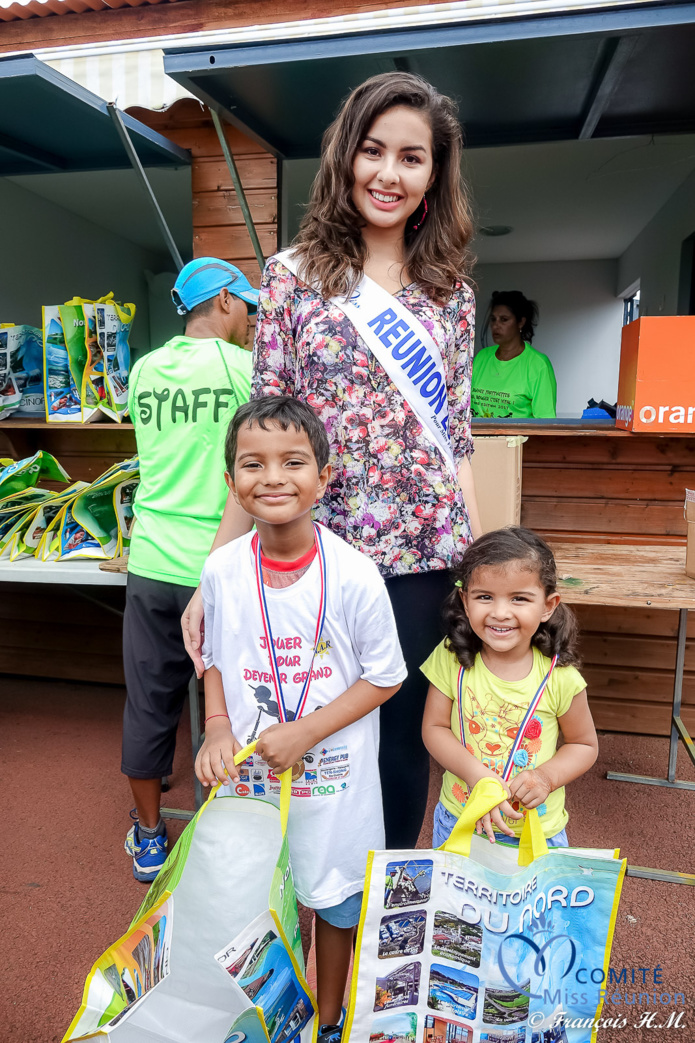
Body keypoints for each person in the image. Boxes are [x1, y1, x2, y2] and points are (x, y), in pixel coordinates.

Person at [183, 71, 482, 850]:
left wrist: (476, 565)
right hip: (317, 552)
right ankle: (311, 896)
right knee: (303, 727)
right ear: (345, 156)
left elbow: (456, 441)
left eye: (411, 158)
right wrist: (213, 575)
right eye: (373, 150)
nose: (388, 173)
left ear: (433, 175)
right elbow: (261, 436)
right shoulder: (291, 278)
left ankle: (384, 901)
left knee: (402, 740)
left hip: (422, 555)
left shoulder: (450, 293)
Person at [195, 396, 406, 1042]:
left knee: (335, 902)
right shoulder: (221, 569)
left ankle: (330, 1018)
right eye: (252, 463)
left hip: (336, 786)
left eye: (293, 461)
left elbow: (386, 676)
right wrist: (217, 724)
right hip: (251, 781)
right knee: (254, 896)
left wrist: (306, 731)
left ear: (324, 476)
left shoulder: (355, 575)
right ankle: (272, 1014)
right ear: (230, 480)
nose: (273, 477)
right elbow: (213, 656)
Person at [122, 257, 258, 882]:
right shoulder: (243, 368)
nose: (250, 319)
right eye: (246, 305)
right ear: (224, 300)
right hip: (219, 563)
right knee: (232, 703)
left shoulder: (144, 370)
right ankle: (224, 835)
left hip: (150, 558)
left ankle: (150, 836)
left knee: (149, 700)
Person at [421, 526, 597, 848]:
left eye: (519, 599)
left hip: (536, 833)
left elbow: (583, 745)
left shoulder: (561, 677)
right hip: (459, 822)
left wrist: (545, 778)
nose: (500, 613)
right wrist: (477, 776)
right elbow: (434, 728)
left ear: (548, 605)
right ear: (465, 600)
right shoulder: (450, 657)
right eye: (484, 597)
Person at [472, 290, 557, 418]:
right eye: (493, 319)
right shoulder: (481, 357)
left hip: (519, 433)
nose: (496, 325)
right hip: (476, 432)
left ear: (521, 322)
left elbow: (545, 422)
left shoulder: (538, 365)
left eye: (504, 320)